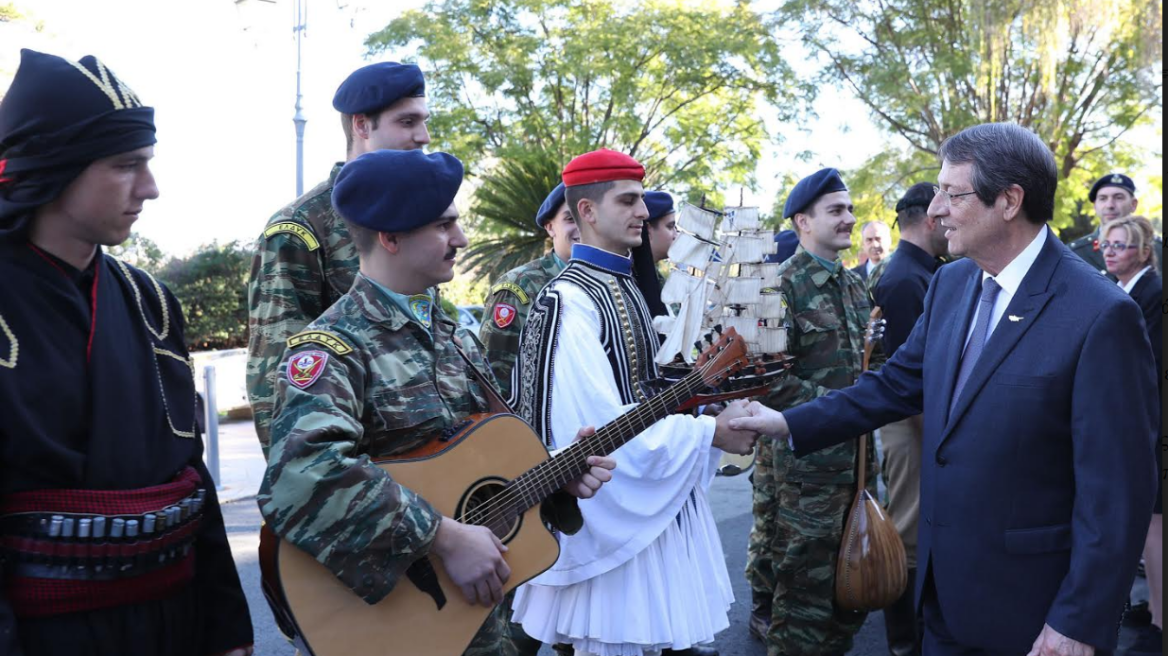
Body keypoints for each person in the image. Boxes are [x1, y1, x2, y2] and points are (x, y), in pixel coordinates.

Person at [730, 123, 1159, 656]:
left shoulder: (1100, 313)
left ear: (1009, 201)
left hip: (1033, 614)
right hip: (941, 598)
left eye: (952, 194)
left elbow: (1117, 491)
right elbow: (894, 385)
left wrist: (1078, 621)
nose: (934, 211)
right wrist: (786, 422)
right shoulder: (951, 284)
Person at [257, 149, 617, 656]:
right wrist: (441, 537)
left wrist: (553, 478)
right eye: (444, 226)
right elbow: (303, 475)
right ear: (391, 237)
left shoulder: (455, 337)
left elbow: (471, 468)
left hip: (477, 622)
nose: (461, 239)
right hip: (392, 627)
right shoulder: (332, 348)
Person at [0, 49, 254, 656]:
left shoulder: (152, 302)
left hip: (175, 620)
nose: (151, 187)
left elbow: (191, 472)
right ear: (54, 167)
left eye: (148, 163)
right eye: (125, 165)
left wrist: (225, 627)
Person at [509, 149, 758, 656]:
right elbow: (592, 426)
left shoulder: (623, 285)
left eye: (641, 200)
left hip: (644, 508)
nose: (643, 212)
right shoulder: (569, 300)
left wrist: (704, 410)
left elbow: (643, 393)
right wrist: (708, 434)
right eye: (628, 201)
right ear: (586, 211)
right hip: (610, 508)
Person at [246, 61, 432, 457]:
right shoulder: (300, 228)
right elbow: (276, 379)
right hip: (360, 474)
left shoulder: (416, 218)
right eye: (407, 122)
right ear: (361, 126)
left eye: (424, 121)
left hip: (437, 465)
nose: (424, 136)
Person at [745, 168, 878, 656]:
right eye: (836, 210)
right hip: (807, 473)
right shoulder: (779, 287)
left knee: (850, 596)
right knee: (803, 601)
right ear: (803, 221)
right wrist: (845, 410)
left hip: (858, 463)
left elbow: (870, 364)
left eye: (850, 209)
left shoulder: (854, 286)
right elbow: (768, 381)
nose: (850, 218)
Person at [869, 181, 947, 656]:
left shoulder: (925, 270)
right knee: (910, 536)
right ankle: (906, 643)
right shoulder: (904, 278)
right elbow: (909, 381)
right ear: (929, 217)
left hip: (924, 419)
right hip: (913, 422)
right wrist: (936, 440)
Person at [1100, 215, 1162, 655]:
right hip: (1136, 420)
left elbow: (1149, 366)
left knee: (1156, 528)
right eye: (1107, 245)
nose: (1110, 251)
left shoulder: (1152, 294)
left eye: (1120, 245)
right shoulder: (1123, 289)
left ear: (1143, 252)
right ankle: (1155, 608)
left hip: (1153, 422)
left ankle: (1161, 625)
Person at [479, 183, 577, 399]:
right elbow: (494, 378)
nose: (582, 227)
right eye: (571, 219)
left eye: (588, 218)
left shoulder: (612, 280)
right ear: (550, 227)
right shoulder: (519, 286)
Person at [1068, 173, 1161, 277]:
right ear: (1095, 206)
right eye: (1103, 198)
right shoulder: (1075, 253)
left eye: (1118, 198)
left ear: (1133, 204)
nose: (1110, 205)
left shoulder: (1158, 248)